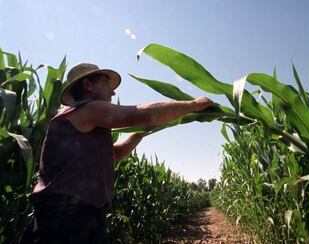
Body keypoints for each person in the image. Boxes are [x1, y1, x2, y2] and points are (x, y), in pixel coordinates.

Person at [22, 63, 214, 243]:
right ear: (88, 85)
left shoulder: (82, 119)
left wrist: (136, 137)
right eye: (106, 84)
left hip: (77, 216)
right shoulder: (87, 109)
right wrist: (193, 105)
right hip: (66, 219)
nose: (113, 91)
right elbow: (142, 113)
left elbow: (110, 156)